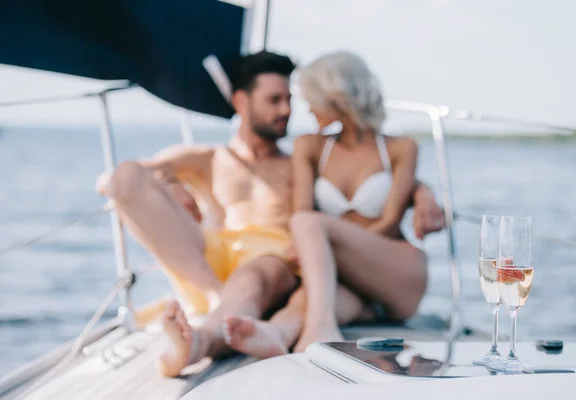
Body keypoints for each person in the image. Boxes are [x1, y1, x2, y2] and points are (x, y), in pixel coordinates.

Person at [96, 50, 444, 377]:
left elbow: (367, 175)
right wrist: (173, 186)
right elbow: (116, 183)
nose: (288, 110)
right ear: (241, 102)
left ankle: (200, 341)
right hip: (211, 267)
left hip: (275, 263)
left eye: (290, 99)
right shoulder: (207, 158)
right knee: (125, 174)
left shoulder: (297, 159)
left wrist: (422, 191)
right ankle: (219, 300)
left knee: (256, 275)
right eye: (275, 100)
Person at [224, 51, 430, 359]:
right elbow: (300, 209)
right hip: (348, 281)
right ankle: (277, 332)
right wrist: (326, 259)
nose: (305, 107)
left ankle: (320, 326)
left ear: (335, 98)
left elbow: (389, 222)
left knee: (309, 224)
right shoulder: (310, 147)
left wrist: (332, 251)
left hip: (395, 270)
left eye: (310, 98)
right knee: (313, 294)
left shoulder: (401, 148)